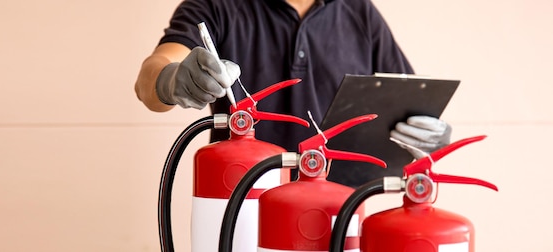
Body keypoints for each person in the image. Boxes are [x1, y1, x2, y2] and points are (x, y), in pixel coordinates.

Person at [135, 0, 451, 187]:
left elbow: (409, 99)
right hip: (240, 208)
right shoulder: (217, 6)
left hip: (338, 212)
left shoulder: (358, 11)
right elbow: (152, 75)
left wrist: (429, 137)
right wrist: (170, 80)